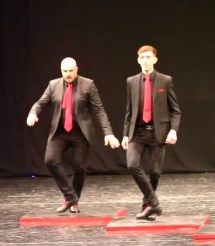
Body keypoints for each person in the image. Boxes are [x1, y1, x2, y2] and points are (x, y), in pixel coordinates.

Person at [26, 57, 120, 213]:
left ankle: (75, 200)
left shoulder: (88, 85)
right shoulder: (53, 85)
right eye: (65, 71)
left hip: (80, 133)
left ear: (77, 69)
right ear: (61, 70)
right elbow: (40, 103)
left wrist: (108, 133)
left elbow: (99, 110)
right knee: (50, 160)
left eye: (71, 71)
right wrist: (33, 113)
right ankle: (70, 197)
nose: (68, 74)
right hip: (60, 132)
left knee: (79, 167)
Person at [121, 45, 181, 220]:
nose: (145, 60)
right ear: (138, 60)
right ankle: (154, 203)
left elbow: (175, 110)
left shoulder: (165, 80)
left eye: (148, 57)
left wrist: (174, 131)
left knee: (155, 172)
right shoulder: (131, 81)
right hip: (137, 132)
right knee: (132, 165)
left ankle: (147, 206)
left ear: (155, 59)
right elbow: (129, 111)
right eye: (142, 57)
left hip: (157, 132)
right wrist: (125, 134)